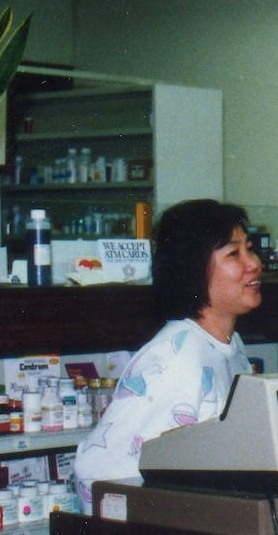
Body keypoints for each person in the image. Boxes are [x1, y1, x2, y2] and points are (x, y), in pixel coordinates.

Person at [74, 199, 261, 507]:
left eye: (249, 248)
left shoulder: (230, 345)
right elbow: (94, 469)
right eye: (233, 254)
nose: (253, 263)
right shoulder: (176, 359)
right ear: (193, 268)